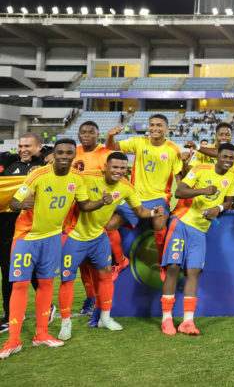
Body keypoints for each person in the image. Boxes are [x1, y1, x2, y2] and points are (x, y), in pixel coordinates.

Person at [1, 139, 108, 359]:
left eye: (69, 153)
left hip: (52, 238)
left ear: (73, 156)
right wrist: (22, 205)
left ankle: (41, 334)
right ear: (54, 154)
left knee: (47, 283)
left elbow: (84, 205)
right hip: (26, 237)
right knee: (20, 285)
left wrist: (101, 202)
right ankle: (14, 339)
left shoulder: (77, 179)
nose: (64, 156)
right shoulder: (38, 175)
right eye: (60, 152)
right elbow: (13, 203)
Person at [58, 152, 163, 340]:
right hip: (74, 235)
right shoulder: (87, 177)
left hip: (99, 236)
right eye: (115, 167)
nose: (118, 171)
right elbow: (64, 178)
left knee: (106, 272)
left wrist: (155, 212)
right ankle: (65, 323)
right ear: (105, 167)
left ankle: (105, 318)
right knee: (67, 278)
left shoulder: (125, 187)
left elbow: (139, 211)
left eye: (122, 168)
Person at [160, 143, 234, 335]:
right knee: (173, 267)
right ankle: (166, 318)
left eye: (231, 158)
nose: (228, 161)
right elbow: (180, 191)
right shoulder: (201, 169)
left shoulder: (231, 176)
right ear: (217, 156)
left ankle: (188, 321)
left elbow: (228, 202)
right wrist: (203, 191)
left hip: (200, 230)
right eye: (225, 157)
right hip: (182, 222)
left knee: (194, 271)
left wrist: (217, 209)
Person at [106, 114, 183, 263]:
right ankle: (120, 262)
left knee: (160, 223)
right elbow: (111, 147)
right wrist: (110, 136)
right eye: (152, 125)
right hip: (135, 198)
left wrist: (180, 205)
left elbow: (179, 180)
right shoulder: (139, 142)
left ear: (167, 128)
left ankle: (162, 262)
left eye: (159, 125)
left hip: (159, 197)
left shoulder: (173, 150)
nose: (155, 128)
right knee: (109, 225)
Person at [0, 132, 52, 334]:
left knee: (30, 272)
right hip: (5, 229)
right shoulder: (11, 163)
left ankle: (46, 308)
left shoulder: (46, 167)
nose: (23, 150)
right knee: (8, 272)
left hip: (31, 229)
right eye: (20, 146)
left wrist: (51, 155)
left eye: (28, 146)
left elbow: (62, 157)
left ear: (40, 147)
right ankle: (9, 315)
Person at [71, 120, 121, 316]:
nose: (86, 136)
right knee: (82, 260)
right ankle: (90, 297)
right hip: (75, 211)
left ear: (97, 135)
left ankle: (102, 298)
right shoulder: (72, 153)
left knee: (96, 261)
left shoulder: (106, 155)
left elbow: (120, 180)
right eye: (83, 132)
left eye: (91, 133)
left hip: (99, 212)